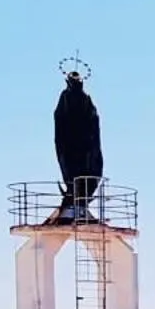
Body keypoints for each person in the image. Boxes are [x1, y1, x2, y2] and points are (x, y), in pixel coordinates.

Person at [50, 70, 105, 224]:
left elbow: (93, 124)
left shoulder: (85, 101)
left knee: (83, 164)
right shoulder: (67, 100)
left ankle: (78, 196)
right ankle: (75, 196)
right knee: (73, 162)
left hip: (85, 151)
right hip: (73, 149)